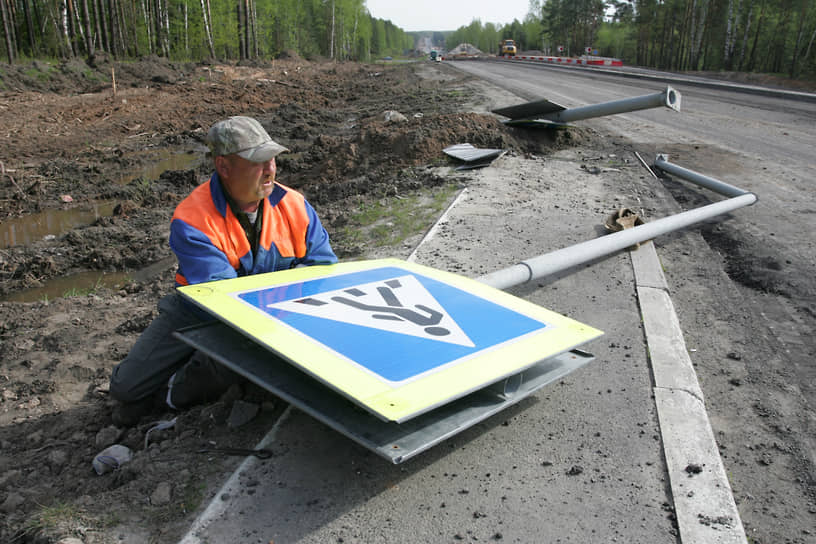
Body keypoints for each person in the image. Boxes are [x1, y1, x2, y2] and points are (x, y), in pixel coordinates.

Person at [109, 116, 338, 426]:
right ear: (224, 167)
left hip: (278, 311)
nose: (270, 169)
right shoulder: (193, 219)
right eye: (257, 162)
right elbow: (227, 301)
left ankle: (174, 393)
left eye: (271, 158)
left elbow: (324, 270)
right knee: (126, 387)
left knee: (232, 362)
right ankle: (200, 367)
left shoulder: (295, 205)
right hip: (201, 312)